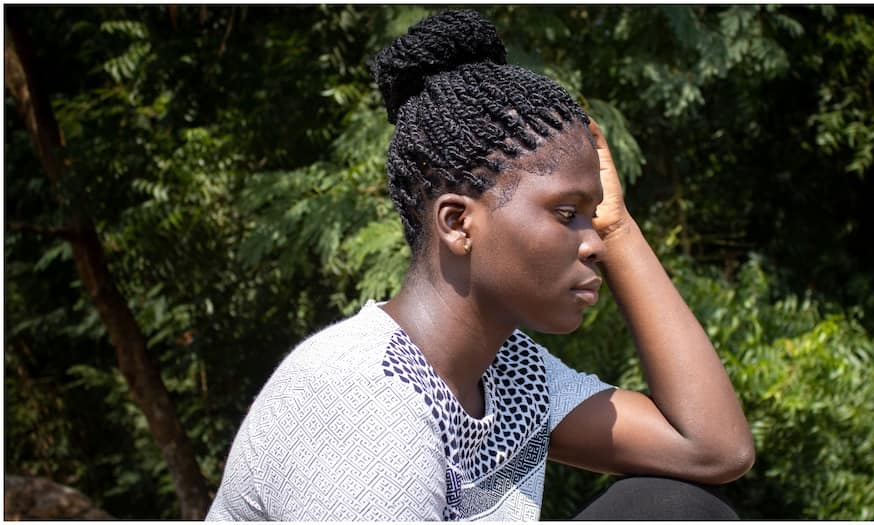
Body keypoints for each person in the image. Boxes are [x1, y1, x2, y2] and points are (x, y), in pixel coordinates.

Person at [206, 9, 754, 521]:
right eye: (568, 214)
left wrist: (620, 226)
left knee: (665, 507)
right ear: (457, 223)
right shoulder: (361, 402)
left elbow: (709, 449)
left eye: (594, 220)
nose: (593, 246)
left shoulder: (509, 374)